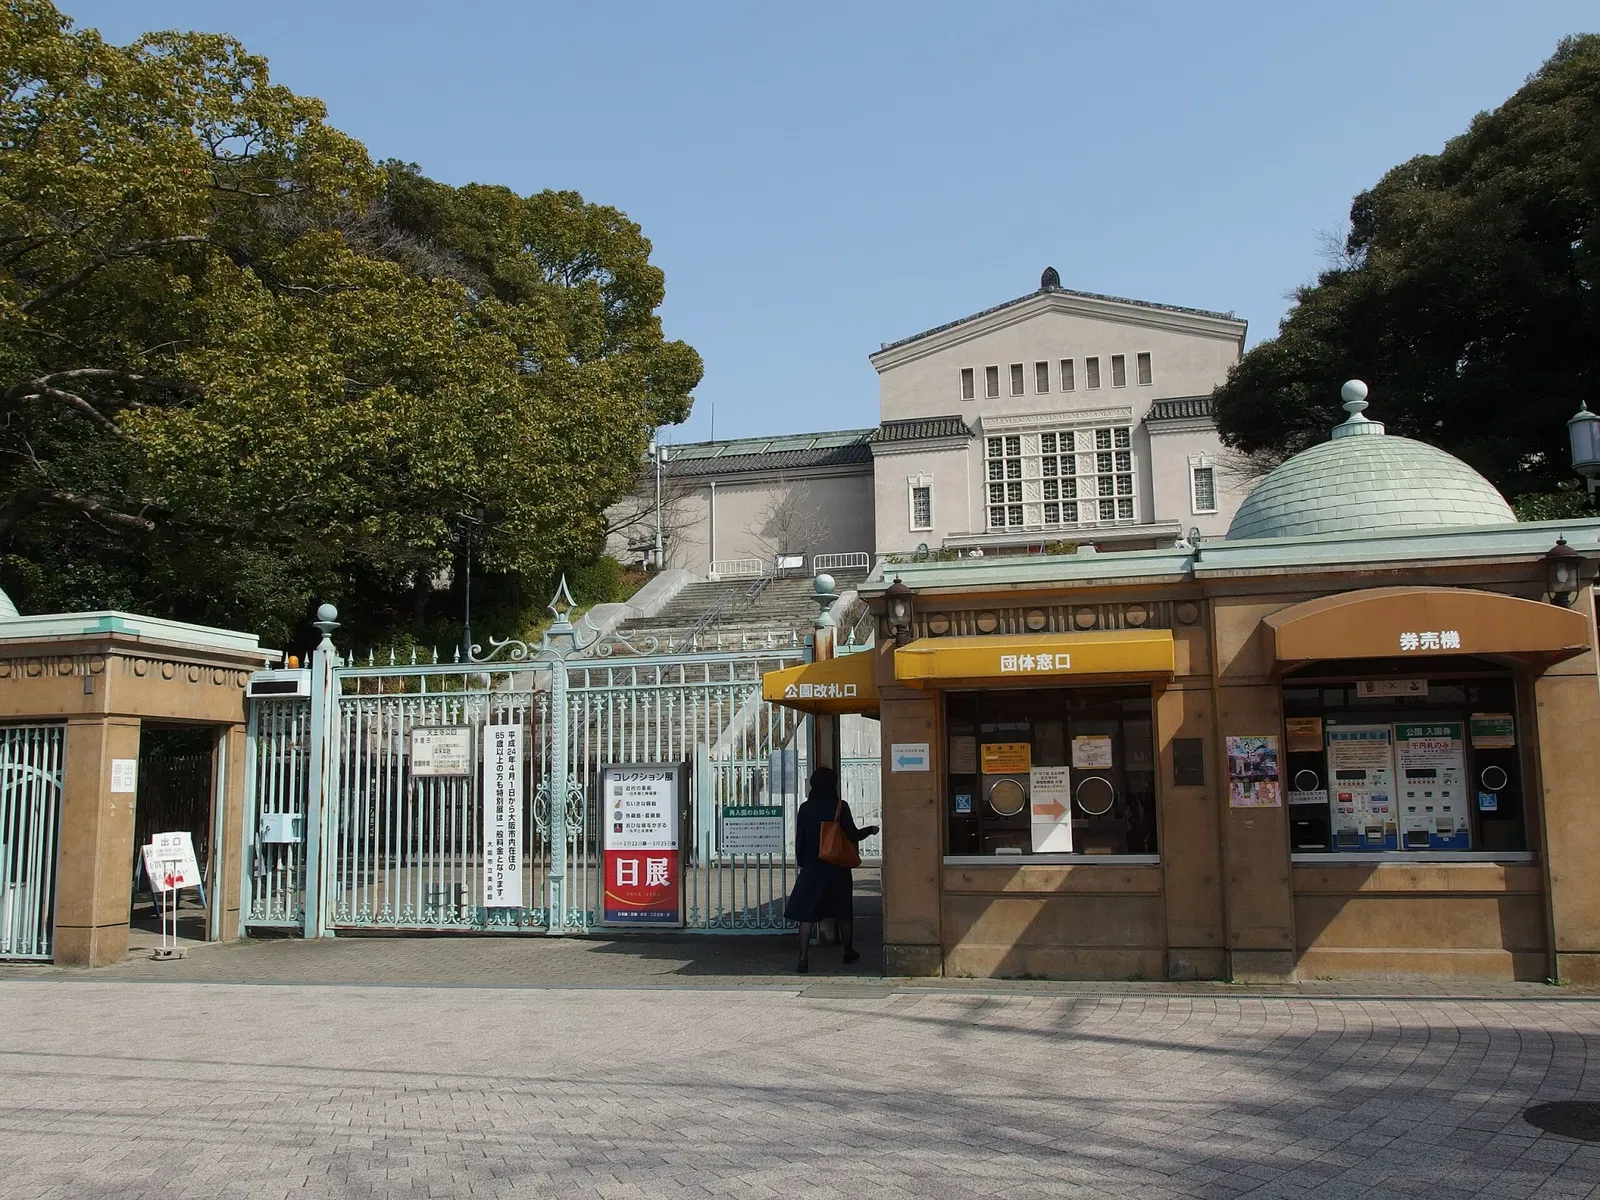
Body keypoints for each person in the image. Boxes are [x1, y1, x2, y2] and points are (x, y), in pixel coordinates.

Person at [784, 767, 878, 973]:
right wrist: (870, 830)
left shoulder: (805, 808)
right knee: (843, 911)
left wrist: (803, 862)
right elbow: (852, 834)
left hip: (812, 867)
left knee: (807, 913)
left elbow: (800, 839)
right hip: (837, 867)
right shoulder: (839, 806)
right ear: (833, 784)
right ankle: (848, 950)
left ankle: (802, 958)